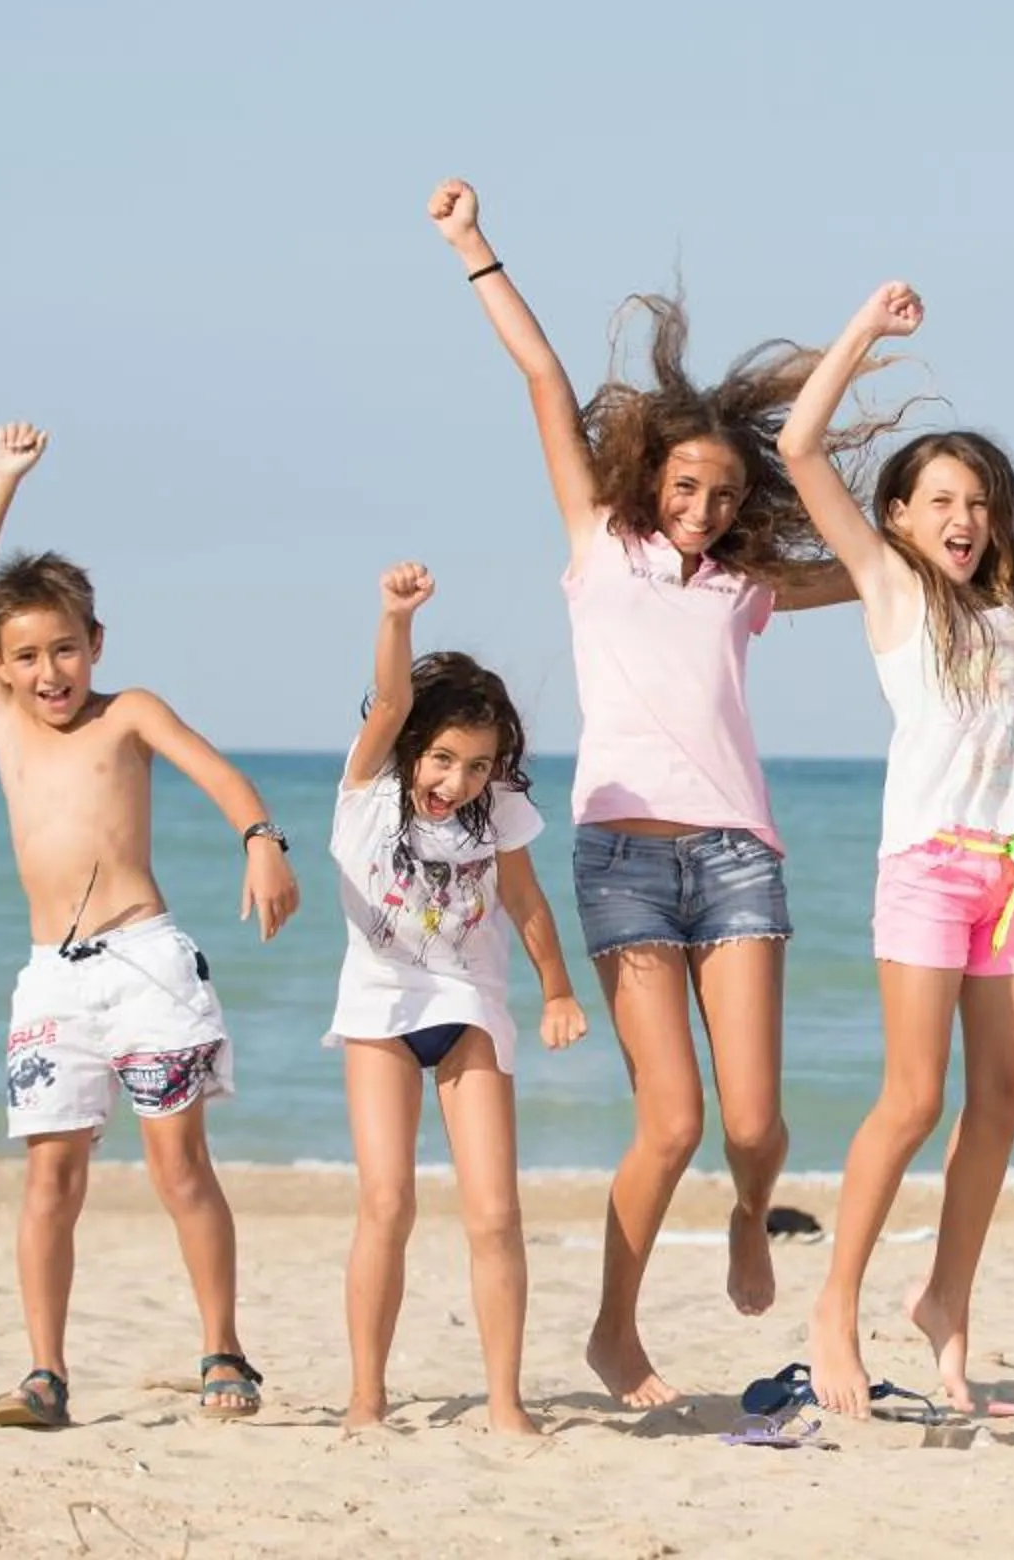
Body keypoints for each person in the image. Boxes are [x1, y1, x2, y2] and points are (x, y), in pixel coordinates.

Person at [432, 177, 886, 1407]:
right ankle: (613, 1330)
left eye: (725, 494)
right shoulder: (600, 544)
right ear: (647, 476)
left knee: (752, 1128)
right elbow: (540, 381)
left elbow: (868, 559)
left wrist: (961, 546)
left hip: (739, 853)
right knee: (671, 1120)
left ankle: (752, 1214)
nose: (704, 507)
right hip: (622, 859)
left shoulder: (743, 585)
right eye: (686, 486)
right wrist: (478, 249)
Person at [780, 280, 1014, 1418]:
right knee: (914, 1097)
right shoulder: (891, 590)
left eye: (978, 500)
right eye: (940, 500)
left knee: (1006, 1096)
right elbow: (798, 443)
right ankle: (835, 1301)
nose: (962, 517)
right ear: (903, 516)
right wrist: (865, 332)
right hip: (928, 864)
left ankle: (945, 1300)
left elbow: (1011, 738)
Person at [0, 423, 300, 1430]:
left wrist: (261, 837)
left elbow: (217, 769)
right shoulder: (7, 721)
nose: (48, 670)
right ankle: (46, 1372)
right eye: (26, 655)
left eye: (64, 647)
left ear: (96, 641)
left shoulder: (126, 710)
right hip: (52, 977)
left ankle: (223, 1346)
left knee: (180, 1164)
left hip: (146, 962)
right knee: (52, 1173)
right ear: (1, 665)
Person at [324, 562, 590, 1434]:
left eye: (478, 764)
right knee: (388, 1203)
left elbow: (525, 898)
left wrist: (557, 988)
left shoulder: (495, 808)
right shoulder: (368, 790)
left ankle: (506, 1403)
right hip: (381, 1007)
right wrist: (395, 617)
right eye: (444, 759)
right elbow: (394, 703)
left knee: (494, 1210)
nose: (458, 779)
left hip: (467, 1002)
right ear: (410, 749)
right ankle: (368, 1397)